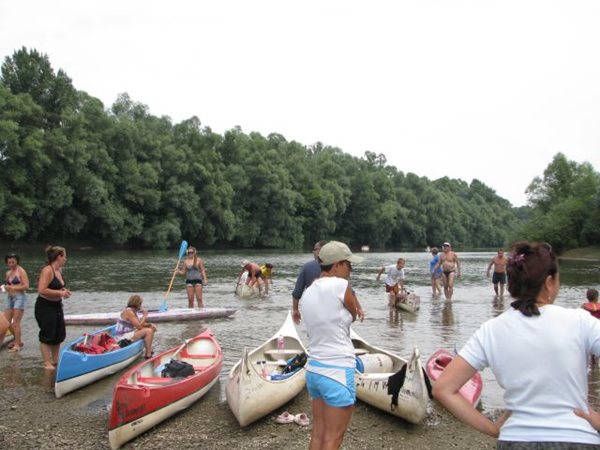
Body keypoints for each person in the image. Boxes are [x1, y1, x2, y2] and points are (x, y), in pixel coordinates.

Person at [433, 241, 600, 448]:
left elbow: (443, 389)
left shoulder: (491, 330)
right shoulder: (580, 321)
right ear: (549, 283)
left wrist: (491, 428)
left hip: (516, 439)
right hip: (577, 438)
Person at [300, 241, 365, 450]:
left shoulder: (308, 292)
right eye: (349, 264)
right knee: (334, 438)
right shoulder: (341, 285)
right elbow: (353, 315)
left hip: (315, 370)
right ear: (336, 264)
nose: (351, 270)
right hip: (337, 370)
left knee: (318, 434)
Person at [35, 246, 72, 370]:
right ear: (59, 257)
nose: (65, 259)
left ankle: (55, 360)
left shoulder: (58, 271)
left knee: (59, 334)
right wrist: (60, 293)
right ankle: (47, 362)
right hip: (45, 306)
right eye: (64, 256)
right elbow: (41, 289)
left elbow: (56, 287)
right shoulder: (48, 270)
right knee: (47, 334)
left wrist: (63, 291)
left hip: (56, 306)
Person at [292, 240, 327, 324]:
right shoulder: (337, 266)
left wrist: (295, 310)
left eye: (315, 249)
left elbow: (297, 293)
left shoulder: (307, 267)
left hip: (312, 310)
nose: (313, 251)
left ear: (321, 251)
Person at [115, 294, 156, 359]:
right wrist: (144, 315)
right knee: (148, 331)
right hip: (122, 337)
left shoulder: (133, 311)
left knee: (151, 328)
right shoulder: (129, 312)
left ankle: (149, 349)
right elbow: (139, 327)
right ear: (137, 304)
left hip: (128, 333)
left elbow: (139, 323)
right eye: (140, 304)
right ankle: (148, 354)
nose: (141, 306)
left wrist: (150, 325)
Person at [4, 252, 29, 352]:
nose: (11, 264)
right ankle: (18, 340)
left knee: (16, 323)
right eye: (9, 262)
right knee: (7, 322)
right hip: (10, 297)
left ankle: (17, 345)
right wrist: (6, 288)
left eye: (13, 262)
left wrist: (12, 287)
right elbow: (8, 285)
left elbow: (26, 286)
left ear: (17, 262)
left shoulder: (21, 271)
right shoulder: (8, 273)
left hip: (20, 297)